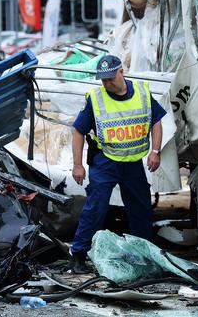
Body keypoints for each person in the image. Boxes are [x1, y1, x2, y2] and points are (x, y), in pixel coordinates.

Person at [69, 55, 166, 273]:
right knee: (96, 207)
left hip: (132, 163)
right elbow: (78, 131)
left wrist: (156, 151)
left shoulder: (141, 92)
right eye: (103, 80)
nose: (107, 84)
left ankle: (144, 253)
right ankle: (77, 254)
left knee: (141, 209)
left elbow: (156, 120)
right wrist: (77, 165)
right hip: (105, 161)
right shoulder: (96, 99)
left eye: (110, 78)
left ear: (121, 72)